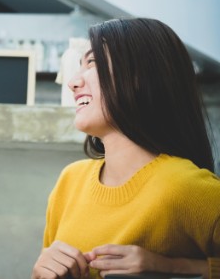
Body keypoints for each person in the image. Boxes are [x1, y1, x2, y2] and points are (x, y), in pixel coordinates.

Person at [31, 18, 220, 279]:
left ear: (140, 76)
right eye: (78, 67)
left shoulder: (187, 188)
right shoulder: (70, 181)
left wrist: (176, 268)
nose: (73, 82)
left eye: (92, 63)